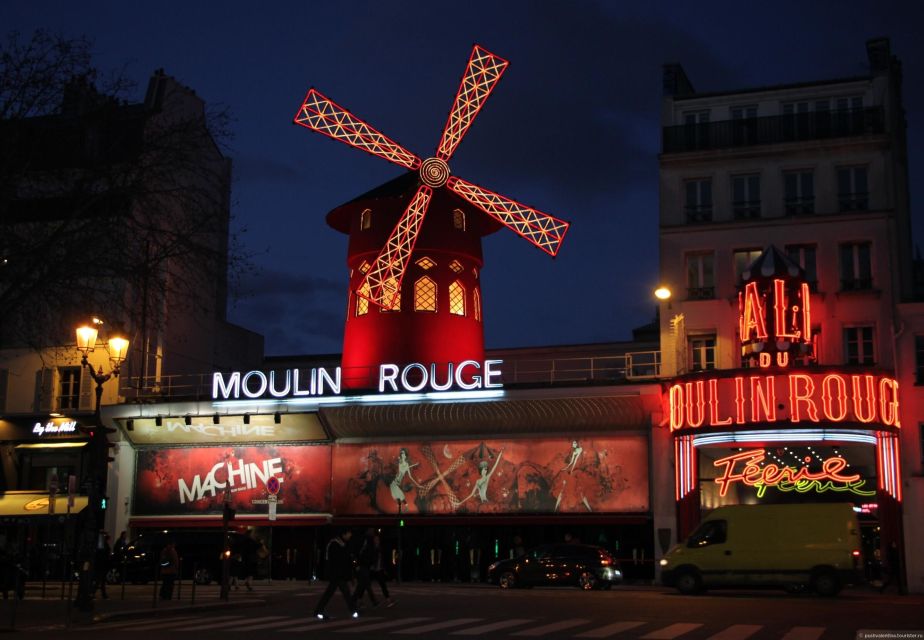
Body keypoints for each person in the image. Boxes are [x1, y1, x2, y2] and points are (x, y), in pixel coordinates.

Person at [314, 529, 358, 621]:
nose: (350, 536)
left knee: (332, 593)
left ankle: (318, 611)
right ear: (344, 534)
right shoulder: (335, 544)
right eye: (349, 534)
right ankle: (354, 611)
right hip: (337, 574)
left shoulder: (339, 543)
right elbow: (338, 561)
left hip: (337, 574)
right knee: (344, 593)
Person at [94, 532, 112, 599]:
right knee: (99, 580)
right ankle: (93, 592)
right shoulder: (102, 544)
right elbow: (102, 554)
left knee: (101, 580)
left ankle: (102, 593)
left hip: (102, 564)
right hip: (102, 564)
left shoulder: (102, 544)